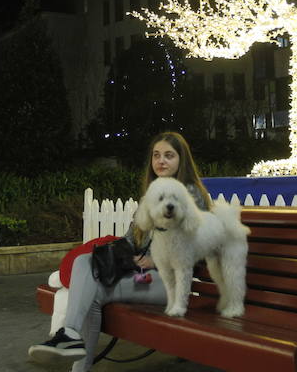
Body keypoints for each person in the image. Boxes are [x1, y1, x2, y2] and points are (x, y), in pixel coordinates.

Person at [27, 131, 212, 371]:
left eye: (169, 155)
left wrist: (155, 260)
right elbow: (130, 238)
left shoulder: (192, 195)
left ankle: (69, 340)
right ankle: (70, 335)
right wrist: (114, 254)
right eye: (156, 155)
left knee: (92, 293)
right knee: (85, 261)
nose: (161, 161)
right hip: (141, 275)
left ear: (181, 160)